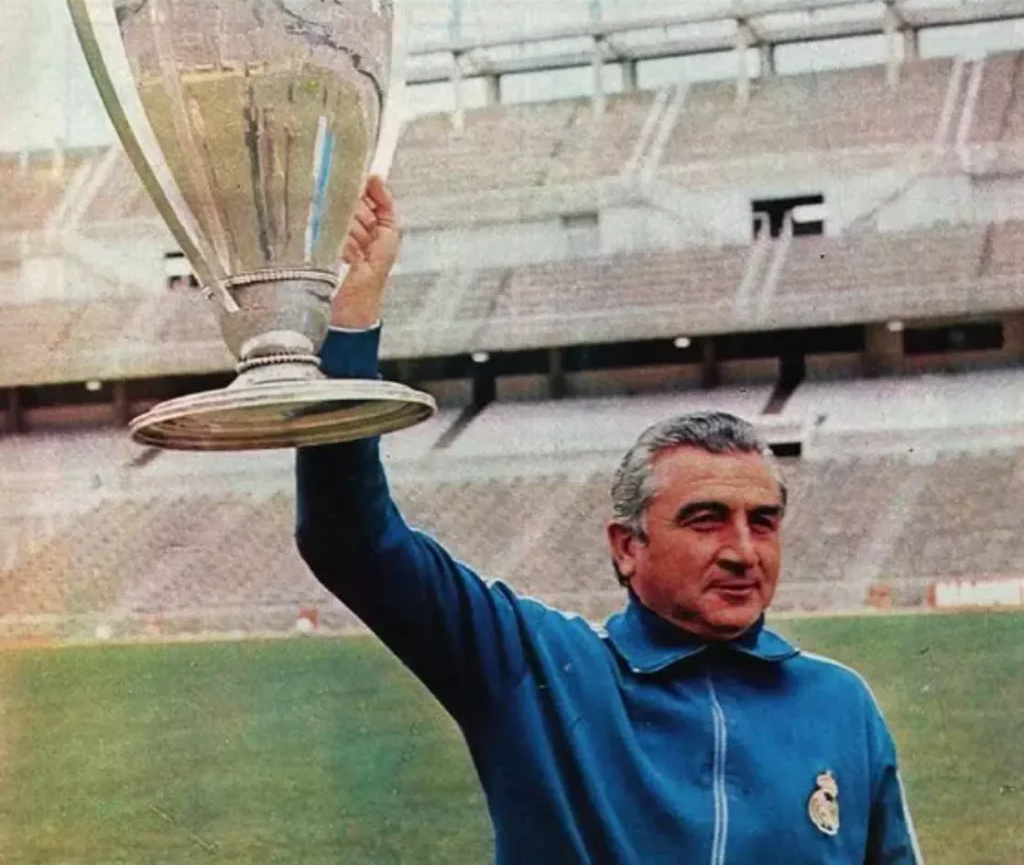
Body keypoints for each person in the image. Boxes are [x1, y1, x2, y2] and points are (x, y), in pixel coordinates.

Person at [295, 176, 924, 864]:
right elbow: (350, 538)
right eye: (707, 519)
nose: (744, 550)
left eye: (763, 521)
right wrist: (353, 315)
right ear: (627, 546)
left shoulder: (840, 705)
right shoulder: (536, 668)